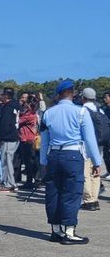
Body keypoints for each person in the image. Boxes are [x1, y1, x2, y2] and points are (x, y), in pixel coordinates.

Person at [40, 80, 102, 244]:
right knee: (72, 193)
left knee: (53, 193)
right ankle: (69, 232)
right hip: (73, 155)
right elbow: (89, 139)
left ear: (58, 94)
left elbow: (44, 140)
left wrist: (43, 161)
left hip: (53, 155)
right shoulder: (81, 112)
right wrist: (97, 162)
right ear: (72, 93)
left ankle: (55, 230)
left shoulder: (47, 113)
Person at [80, 87, 107, 211]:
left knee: (85, 172)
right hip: (100, 144)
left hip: (87, 145)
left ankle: (88, 200)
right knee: (96, 171)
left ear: (84, 98)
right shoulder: (100, 110)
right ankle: (95, 199)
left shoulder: (83, 110)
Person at [0, 87, 21, 193]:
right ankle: (6, 182)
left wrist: (0, 136)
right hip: (14, 135)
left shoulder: (8, 107)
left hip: (9, 137)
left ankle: (10, 184)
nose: (0, 96)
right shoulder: (15, 105)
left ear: (6, 96)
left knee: (7, 161)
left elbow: (5, 124)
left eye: (2, 95)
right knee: (6, 161)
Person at [18, 95, 39, 190]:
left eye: (27, 103)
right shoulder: (29, 113)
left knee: (29, 162)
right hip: (26, 139)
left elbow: (17, 121)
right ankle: (32, 180)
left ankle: (30, 181)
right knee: (29, 162)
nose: (25, 105)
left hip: (28, 140)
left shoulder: (29, 115)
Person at [102, 91, 110, 180]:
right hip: (106, 134)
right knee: (106, 154)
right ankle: (108, 171)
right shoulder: (104, 109)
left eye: (106, 97)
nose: (104, 99)